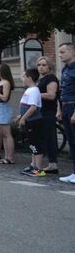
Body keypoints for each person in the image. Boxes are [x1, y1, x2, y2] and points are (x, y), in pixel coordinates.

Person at [17, 69, 45, 177]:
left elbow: (33, 108)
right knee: (32, 144)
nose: (22, 79)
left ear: (29, 78)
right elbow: (27, 106)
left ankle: (39, 169)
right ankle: (33, 165)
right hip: (30, 121)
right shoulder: (30, 90)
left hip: (34, 122)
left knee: (36, 145)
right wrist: (21, 116)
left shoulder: (33, 91)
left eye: (23, 77)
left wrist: (23, 118)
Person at [36, 57, 59, 174]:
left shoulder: (51, 78)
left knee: (50, 138)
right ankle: (50, 163)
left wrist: (36, 94)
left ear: (49, 67)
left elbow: (51, 95)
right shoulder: (42, 79)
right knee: (44, 138)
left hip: (48, 112)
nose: (41, 67)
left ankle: (53, 164)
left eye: (44, 65)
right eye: (39, 65)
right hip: (41, 112)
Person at [58, 43, 75, 184]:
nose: (60, 55)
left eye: (63, 52)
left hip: (73, 106)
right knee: (71, 141)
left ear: (72, 52)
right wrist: (60, 109)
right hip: (66, 106)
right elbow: (62, 91)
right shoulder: (65, 69)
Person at [0, 63, 15, 164]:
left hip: (3, 107)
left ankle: (10, 157)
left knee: (7, 134)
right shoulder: (1, 82)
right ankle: (6, 156)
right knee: (3, 134)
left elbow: (5, 98)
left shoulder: (6, 83)